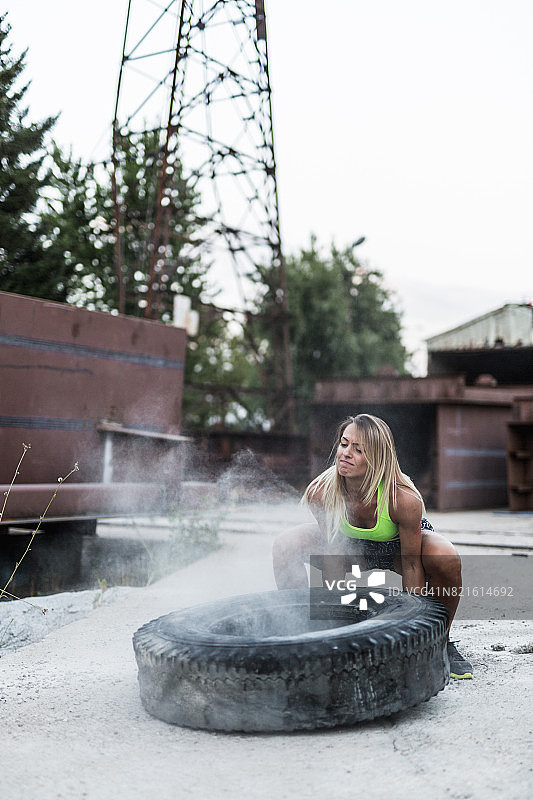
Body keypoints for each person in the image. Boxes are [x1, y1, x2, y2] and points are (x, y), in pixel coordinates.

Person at [272, 413, 473, 679]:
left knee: (445, 556)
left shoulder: (403, 499)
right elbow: (333, 556)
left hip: (397, 549)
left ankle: (439, 641)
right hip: (353, 549)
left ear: (378, 458)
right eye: (344, 444)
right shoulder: (320, 492)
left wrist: (414, 634)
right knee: (285, 544)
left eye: (359, 450)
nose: (346, 453)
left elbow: (412, 565)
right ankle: (304, 632)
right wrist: (331, 629)